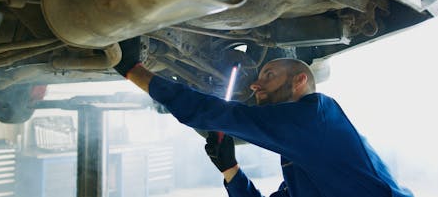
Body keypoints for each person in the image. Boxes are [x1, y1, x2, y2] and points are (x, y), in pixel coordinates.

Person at [113, 38, 413, 197]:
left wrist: (134, 71)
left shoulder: (314, 117)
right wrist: (230, 169)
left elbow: (218, 114)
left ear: (299, 81)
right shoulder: (305, 153)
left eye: (268, 75)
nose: (255, 85)